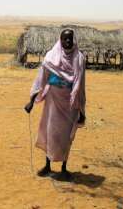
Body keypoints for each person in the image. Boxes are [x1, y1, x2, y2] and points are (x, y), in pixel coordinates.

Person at [24, 29, 86, 180]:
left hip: (70, 104)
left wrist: (82, 111)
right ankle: (47, 166)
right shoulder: (51, 57)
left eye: (70, 39)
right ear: (60, 40)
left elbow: (81, 85)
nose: (67, 42)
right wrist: (31, 101)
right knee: (50, 132)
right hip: (53, 102)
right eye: (65, 39)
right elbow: (40, 79)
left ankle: (64, 168)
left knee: (66, 137)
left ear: (73, 39)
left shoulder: (79, 58)